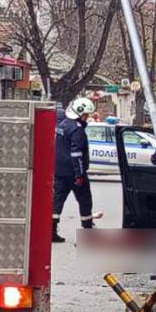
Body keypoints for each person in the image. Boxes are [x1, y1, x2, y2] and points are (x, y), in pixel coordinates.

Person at [52, 97, 96, 244]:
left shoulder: (63, 125)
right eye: (86, 115)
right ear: (79, 113)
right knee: (85, 201)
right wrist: (80, 174)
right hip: (73, 173)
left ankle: (51, 231)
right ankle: (88, 233)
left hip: (59, 171)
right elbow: (76, 154)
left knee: (56, 202)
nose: (87, 118)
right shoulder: (77, 130)